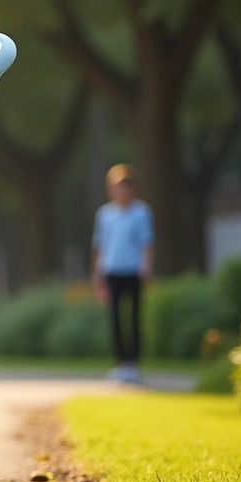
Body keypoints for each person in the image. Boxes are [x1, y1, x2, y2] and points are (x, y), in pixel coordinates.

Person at [91, 164, 153, 384]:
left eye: (125, 187)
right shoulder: (105, 214)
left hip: (133, 270)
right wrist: (97, 275)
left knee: (134, 317)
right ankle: (121, 363)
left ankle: (133, 363)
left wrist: (146, 268)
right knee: (115, 319)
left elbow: (146, 243)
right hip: (112, 271)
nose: (121, 191)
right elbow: (100, 246)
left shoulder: (141, 212)